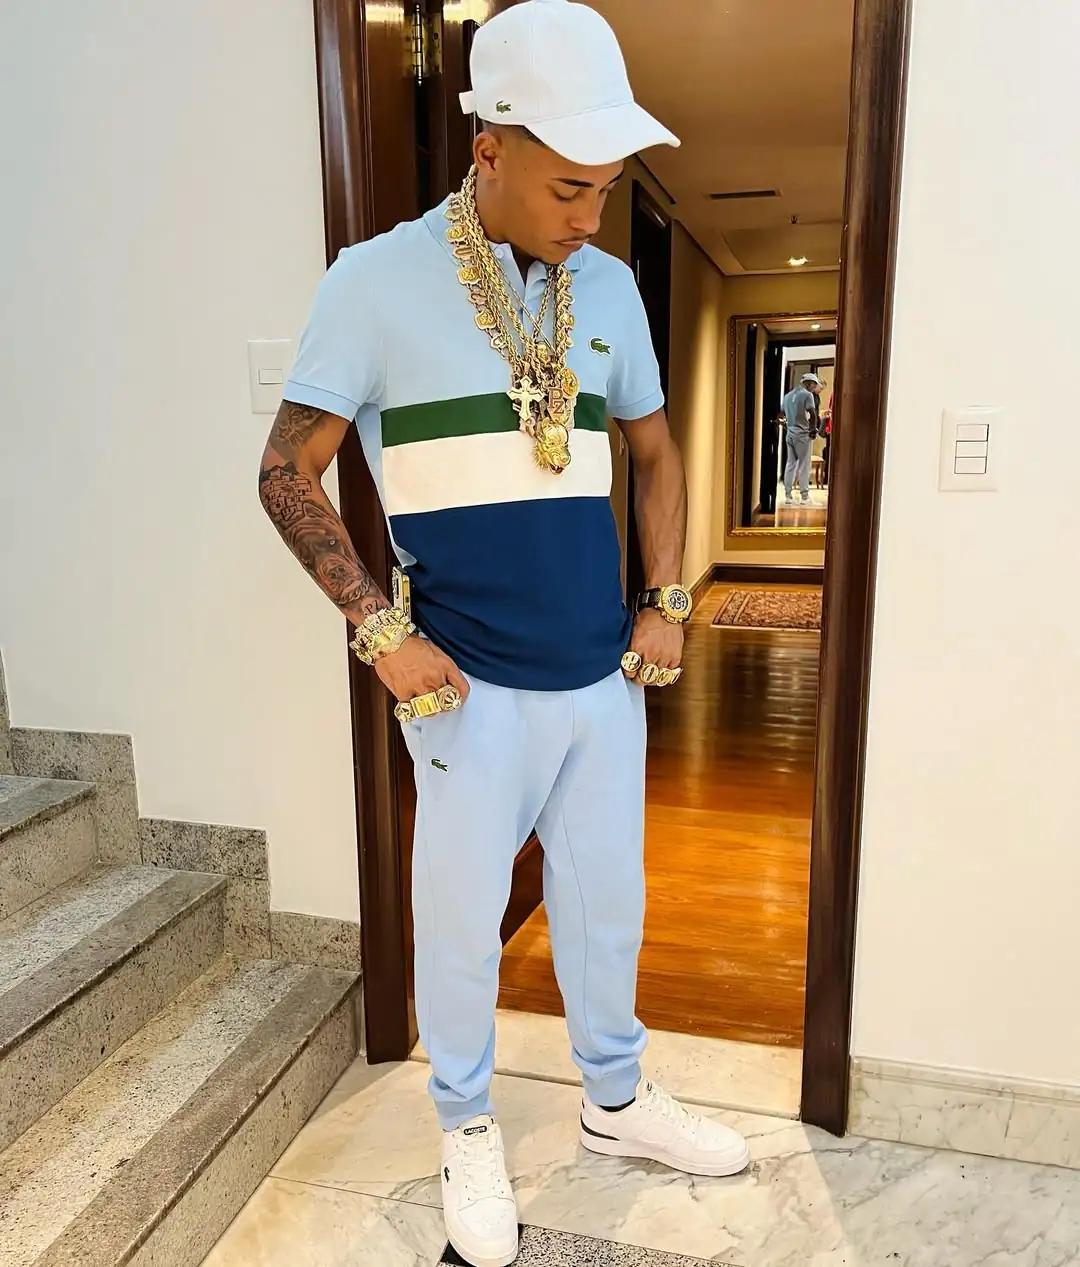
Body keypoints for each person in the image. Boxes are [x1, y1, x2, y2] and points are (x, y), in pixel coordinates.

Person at [258, 2, 749, 1264]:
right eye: (570, 187)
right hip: (466, 687)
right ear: (490, 148)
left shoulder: (612, 288)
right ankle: (466, 1125)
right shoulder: (373, 282)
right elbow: (285, 472)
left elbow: (654, 453)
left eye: (607, 189)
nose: (590, 216)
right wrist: (377, 630)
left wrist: (667, 601)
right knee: (461, 918)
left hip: (602, 673)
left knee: (607, 905)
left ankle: (616, 1101)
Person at [782, 372, 822, 504]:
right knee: (804, 465)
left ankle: (788, 496)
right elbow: (812, 413)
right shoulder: (807, 395)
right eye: (814, 385)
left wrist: (788, 425)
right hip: (803, 434)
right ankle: (804, 497)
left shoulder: (787, 396)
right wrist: (813, 430)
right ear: (809, 383)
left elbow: (781, 414)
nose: (814, 388)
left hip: (790, 433)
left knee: (790, 463)